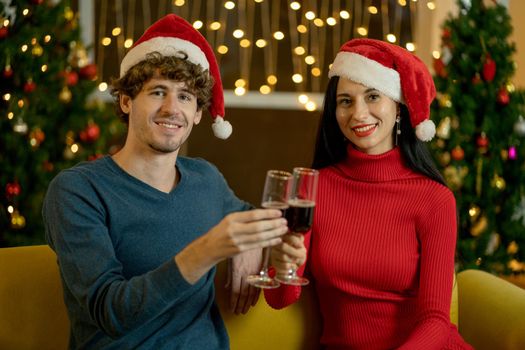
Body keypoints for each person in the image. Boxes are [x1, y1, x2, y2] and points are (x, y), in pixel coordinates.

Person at [42, 14, 288, 349]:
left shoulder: (206, 179)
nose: (172, 108)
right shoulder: (78, 191)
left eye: (185, 97)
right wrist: (207, 250)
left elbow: (255, 219)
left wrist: (252, 243)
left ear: (198, 113)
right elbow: (110, 311)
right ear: (126, 101)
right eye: (158, 92)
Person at [264, 38, 473, 349]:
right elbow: (280, 298)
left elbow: (435, 320)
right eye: (346, 101)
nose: (358, 114)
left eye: (372, 96)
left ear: (398, 107)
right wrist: (281, 267)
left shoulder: (434, 199)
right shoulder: (314, 188)